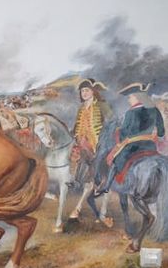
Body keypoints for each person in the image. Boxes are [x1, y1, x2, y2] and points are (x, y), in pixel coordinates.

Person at [100, 82, 165, 193]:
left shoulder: (131, 113)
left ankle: (106, 187)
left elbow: (125, 133)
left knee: (115, 160)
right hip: (151, 146)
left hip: (132, 147)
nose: (129, 100)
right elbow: (161, 132)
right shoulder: (155, 110)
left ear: (137, 97)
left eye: (130, 97)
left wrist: (118, 133)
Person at [67, 78, 113, 222]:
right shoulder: (81, 108)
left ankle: (100, 182)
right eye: (82, 91)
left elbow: (112, 120)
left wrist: (105, 134)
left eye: (87, 90)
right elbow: (76, 126)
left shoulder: (102, 105)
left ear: (93, 91)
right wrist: (72, 134)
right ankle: (73, 179)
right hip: (82, 140)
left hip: (98, 141)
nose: (84, 93)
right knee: (70, 153)